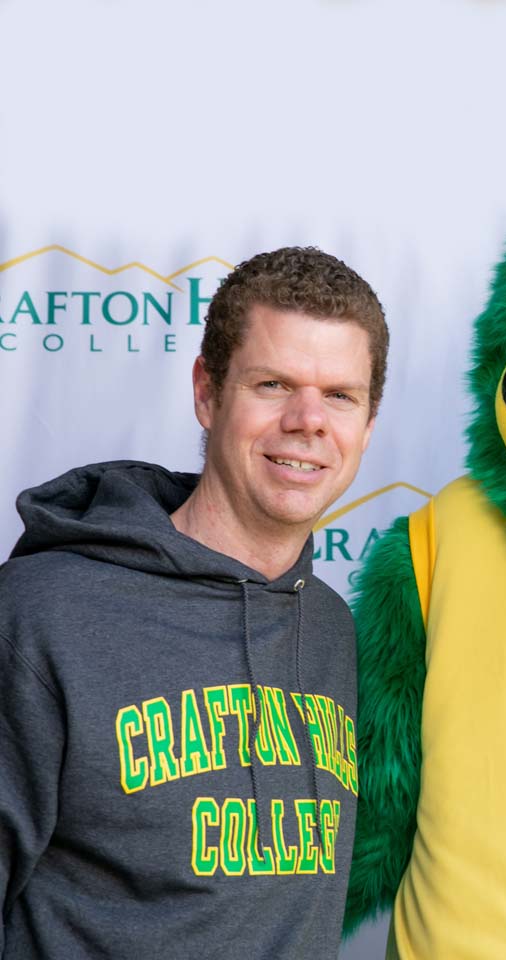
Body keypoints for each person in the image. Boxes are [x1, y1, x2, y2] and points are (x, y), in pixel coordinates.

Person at [0, 246, 387, 958]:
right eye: (273, 384)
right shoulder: (39, 615)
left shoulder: (331, 626)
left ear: (367, 424)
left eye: (339, 395)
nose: (308, 420)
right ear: (208, 393)